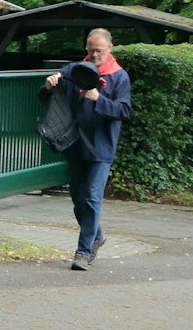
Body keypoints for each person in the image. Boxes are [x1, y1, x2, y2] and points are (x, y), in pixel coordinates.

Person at [42, 28, 130, 270]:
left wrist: (98, 99)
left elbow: (124, 110)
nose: (94, 55)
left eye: (99, 51)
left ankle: (83, 251)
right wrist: (49, 86)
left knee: (92, 198)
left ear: (110, 49)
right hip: (75, 144)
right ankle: (97, 235)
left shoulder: (119, 77)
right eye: (90, 50)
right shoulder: (73, 71)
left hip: (102, 148)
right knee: (79, 200)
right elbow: (48, 96)